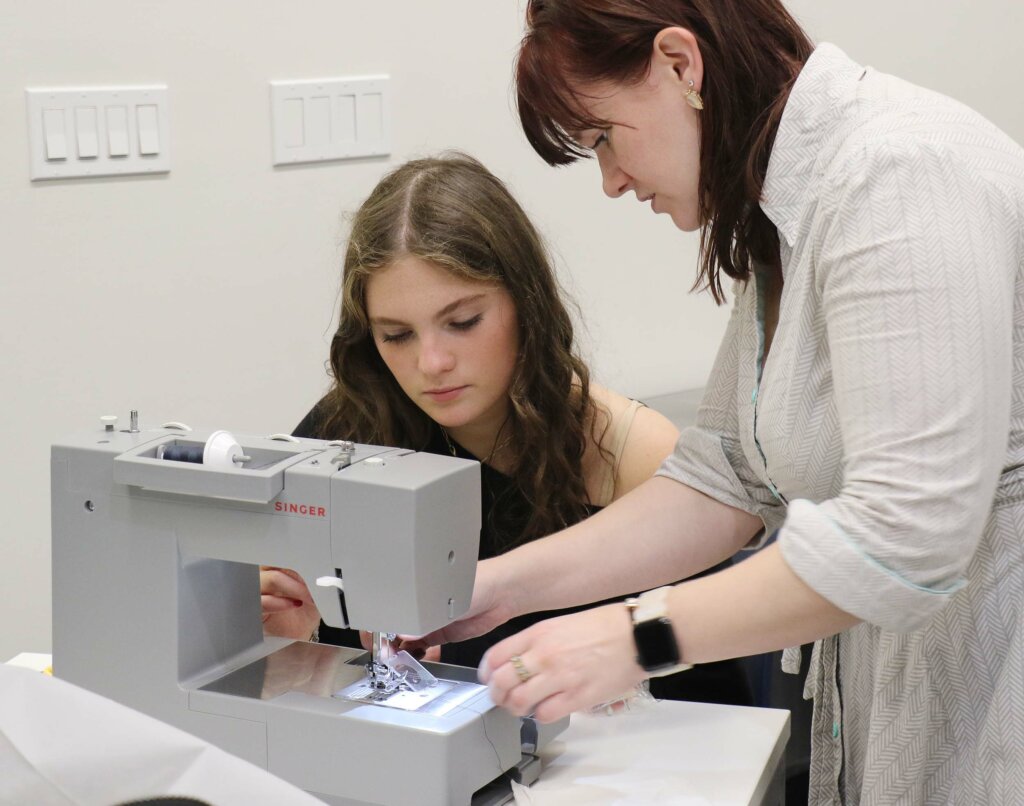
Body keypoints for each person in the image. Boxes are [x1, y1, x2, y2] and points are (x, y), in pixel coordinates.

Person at [415, 3, 1024, 805]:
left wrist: (635, 635)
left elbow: (902, 537)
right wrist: (497, 587)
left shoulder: (895, 176)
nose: (612, 181)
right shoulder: (797, 205)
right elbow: (728, 476)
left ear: (680, 65)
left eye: (603, 137)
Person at [260, 152, 753, 707]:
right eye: (396, 335)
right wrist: (296, 640)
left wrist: (622, 673)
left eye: (463, 322)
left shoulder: (630, 453)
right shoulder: (341, 438)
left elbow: (716, 705)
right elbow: (291, 685)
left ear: (526, 303)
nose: (432, 362)